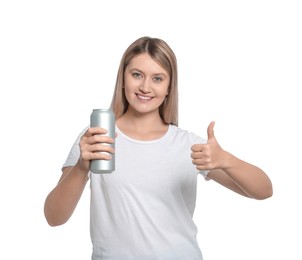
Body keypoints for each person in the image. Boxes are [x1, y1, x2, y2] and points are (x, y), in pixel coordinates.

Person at [44, 36, 273, 260]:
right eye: (137, 75)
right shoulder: (95, 138)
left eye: (157, 78)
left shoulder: (187, 145)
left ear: (168, 87)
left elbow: (263, 191)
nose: (145, 87)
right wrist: (83, 166)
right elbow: (54, 217)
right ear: (123, 79)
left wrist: (225, 159)